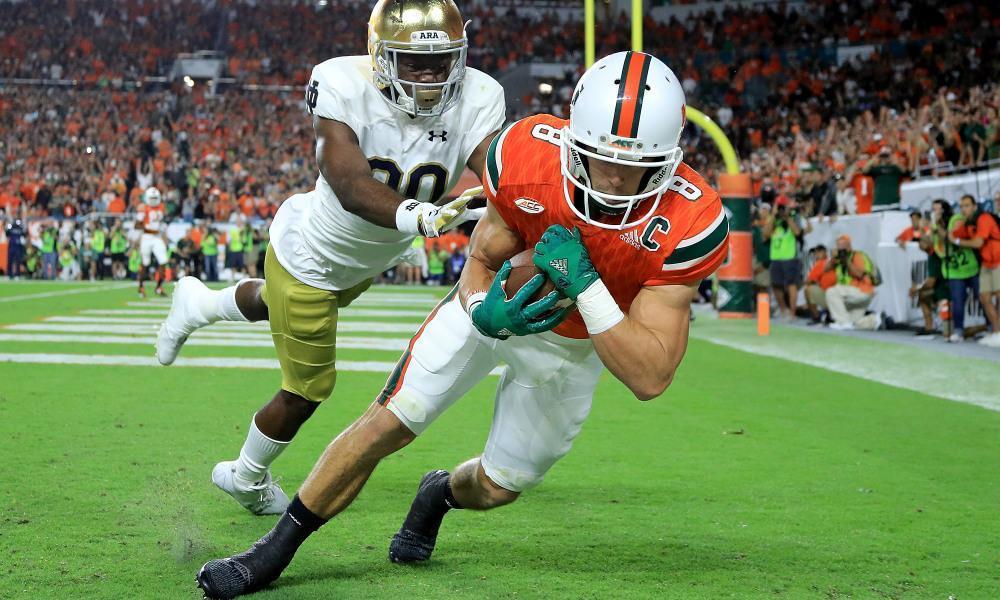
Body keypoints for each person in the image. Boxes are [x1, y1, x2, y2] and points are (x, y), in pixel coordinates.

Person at [196, 50, 729, 600]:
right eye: (600, 158)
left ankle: (438, 494)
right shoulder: (526, 155)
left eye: (636, 165)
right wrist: (480, 309)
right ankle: (272, 551)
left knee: (499, 487)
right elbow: (480, 260)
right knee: (389, 422)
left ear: (670, 160)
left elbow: (650, 376)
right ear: (573, 140)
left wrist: (585, 285)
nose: (615, 179)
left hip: (572, 347)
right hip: (492, 305)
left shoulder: (690, 220)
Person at [157, 0, 505, 516]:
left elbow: (497, 169)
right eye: (414, 61)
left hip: (364, 258)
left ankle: (201, 305)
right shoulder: (342, 83)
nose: (431, 75)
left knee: (280, 306)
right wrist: (421, 217)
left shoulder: (480, 94)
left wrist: (510, 196)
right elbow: (348, 182)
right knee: (307, 390)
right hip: (314, 258)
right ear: (381, 56)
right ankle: (246, 477)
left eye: (442, 60)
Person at [950, 194, 1000, 346]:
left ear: (974, 207)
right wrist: (951, 230)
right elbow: (953, 234)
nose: (964, 209)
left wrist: (957, 240)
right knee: (984, 298)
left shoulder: (984, 218)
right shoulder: (969, 223)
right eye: (961, 206)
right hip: (986, 263)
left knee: (999, 296)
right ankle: (996, 333)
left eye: (967, 205)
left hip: (998, 259)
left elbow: (978, 243)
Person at [934, 197, 979, 342]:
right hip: (954, 271)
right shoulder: (936, 227)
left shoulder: (956, 218)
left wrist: (939, 228)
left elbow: (953, 235)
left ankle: (993, 328)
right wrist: (927, 230)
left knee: (983, 299)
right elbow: (929, 245)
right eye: (934, 209)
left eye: (939, 209)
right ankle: (959, 331)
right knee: (957, 301)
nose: (936, 212)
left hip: (970, 268)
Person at [824, 235, 881, 330]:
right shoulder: (837, 259)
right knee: (854, 323)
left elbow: (859, 274)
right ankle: (875, 319)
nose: (840, 249)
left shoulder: (858, 255)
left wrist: (847, 261)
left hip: (862, 291)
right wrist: (833, 258)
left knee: (831, 292)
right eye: (838, 246)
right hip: (851, 295)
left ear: (849, 246)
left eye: (843, 246)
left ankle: (843, 322)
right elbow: (826, 269)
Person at [762, 196, 805, 319]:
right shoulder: (773, 220)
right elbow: (765, 234)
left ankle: (792, 313)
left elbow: (797, 232)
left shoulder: (794, 217)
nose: (781, 209)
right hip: (776, 257)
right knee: (776, 285)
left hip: (790, 257)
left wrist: (787, 217)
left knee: (791, 285)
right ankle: (783, 310)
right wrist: (774, 217)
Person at [136, 187, 168, 297]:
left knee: (163, 261)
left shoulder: (162, 207)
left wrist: (162, 231)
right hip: (147, 237)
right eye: (152, 198)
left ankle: (159, 287)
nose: (154, 200)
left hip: (157, 237)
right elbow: (137, 225)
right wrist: (150, 229)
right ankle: (140, 287)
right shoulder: (143, 207)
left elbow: (161, 222)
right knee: (145, 263)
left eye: (155, 198)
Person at [864, 146, 905, 210]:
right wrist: (874, 158)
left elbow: (905, 172)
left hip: (894, 203)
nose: (885, 158)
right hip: (878, 204)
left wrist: (895, 161)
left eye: (887, 155)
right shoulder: (876, 169)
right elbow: (865, 170)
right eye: (883, 156)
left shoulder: (895, 168)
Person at [804, 245, 836, 324]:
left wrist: (815, 282)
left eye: (819, 252)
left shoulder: (821, 263)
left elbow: (808, 281)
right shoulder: (831, 262)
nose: (816, 255)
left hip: (830, 296)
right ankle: (829, 315)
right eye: (815, 253)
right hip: (836, 294)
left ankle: (816, 317)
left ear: (825, 252)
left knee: (807, 289)